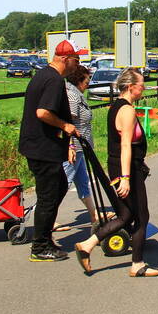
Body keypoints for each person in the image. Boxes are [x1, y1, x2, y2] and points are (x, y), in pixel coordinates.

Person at [74, 68, 158, 277]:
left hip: (120, 165)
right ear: (131, 87)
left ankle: (87, 245)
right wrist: (125, 178)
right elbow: (125, 145)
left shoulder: (116, 106)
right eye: (142, 85)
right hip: (127, 168)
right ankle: (138, 264)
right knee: (141, 216)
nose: (144, 88)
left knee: (125, 215)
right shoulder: (127, 110)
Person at [18, 39, 80, 262]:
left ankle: (45, 236)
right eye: (76, 59)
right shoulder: (53, 80)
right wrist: (66, 126)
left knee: (60, 187)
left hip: (40, 146)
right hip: (42, 148)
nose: (77, 63)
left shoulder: (45, 76)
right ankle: (40, 246)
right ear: (65, 59)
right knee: (48, 196)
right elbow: (43, 112)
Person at [59, 65, 100, 231]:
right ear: (79, 80)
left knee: (83, 182)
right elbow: (68, 123)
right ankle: (49, 219)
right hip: (73, 149)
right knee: (62, 183)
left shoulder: (76, 94)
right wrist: (70, 146)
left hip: (81, 149)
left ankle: (93, 214)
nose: (88, 84)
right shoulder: (72, 96)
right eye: (87, 80)